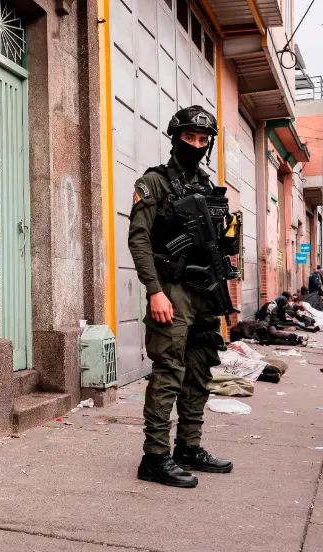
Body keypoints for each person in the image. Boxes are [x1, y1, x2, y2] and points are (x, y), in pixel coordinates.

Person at [128, 106, 237, 489]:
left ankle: (188, 447)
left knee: (199, 370)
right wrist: (155, 291)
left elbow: (219, 244)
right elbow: (139, 240)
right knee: (169, 372)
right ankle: (155, 458)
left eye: (203, 140)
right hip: (172, 291)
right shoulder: (153, 183)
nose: (196, 144)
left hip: (205, 291)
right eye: (190, 137)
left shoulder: (207, 186)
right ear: (176, 139)